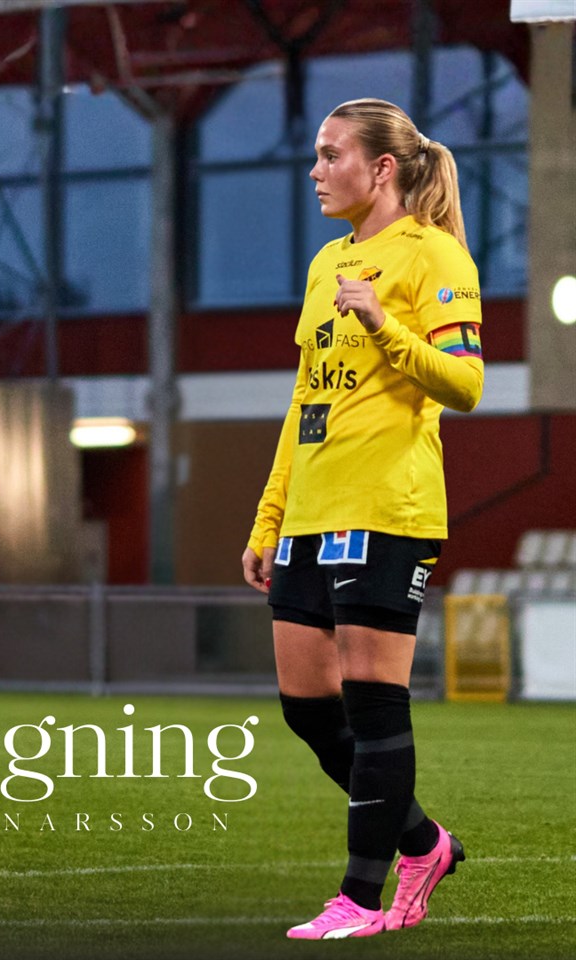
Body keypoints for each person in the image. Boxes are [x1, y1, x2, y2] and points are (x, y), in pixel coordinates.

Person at [241, 98, 483, 940]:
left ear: (381, 167)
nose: (314, 171)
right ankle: (425, 843)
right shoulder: (326, 264)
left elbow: (466, 384)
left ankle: (360, 899)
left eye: (330, 154)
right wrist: (270, 516)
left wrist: (384, 326)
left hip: (387, 508)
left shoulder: (434, 254)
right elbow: (306, 400)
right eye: (316, 154)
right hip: (311, 512)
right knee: (308, 709)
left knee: (376, 707)